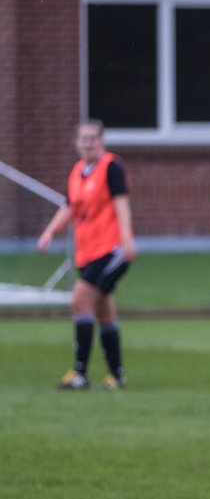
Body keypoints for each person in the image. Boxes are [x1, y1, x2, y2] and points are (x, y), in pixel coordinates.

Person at [37, 119, 136, 391]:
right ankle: (116, 376)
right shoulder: (77, 171)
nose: (88, 142)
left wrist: (127, 239)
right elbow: (70, 206)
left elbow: (121, 203)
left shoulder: (111, 167)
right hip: (88, 252)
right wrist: (49, 232)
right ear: (76, 142)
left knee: (81, 299)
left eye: (93, 137)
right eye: (84, 138)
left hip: (111, 249)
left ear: (101, 141)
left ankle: (80, 373)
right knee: (104, 310)